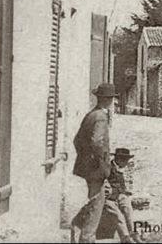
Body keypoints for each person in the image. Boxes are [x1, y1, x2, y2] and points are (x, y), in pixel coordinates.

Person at [72, 83, 117, 244]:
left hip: (88, 167)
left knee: (98, 199)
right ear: (109, 100)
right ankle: (86, 238)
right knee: (96, 204)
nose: (112, 101)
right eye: (111, 98)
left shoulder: (91, 114)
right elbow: (97, 142)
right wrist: (102, 164)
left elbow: (77, 141)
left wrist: (85, 159)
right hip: (96, 169)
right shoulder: (101, 117)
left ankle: (78, 226)